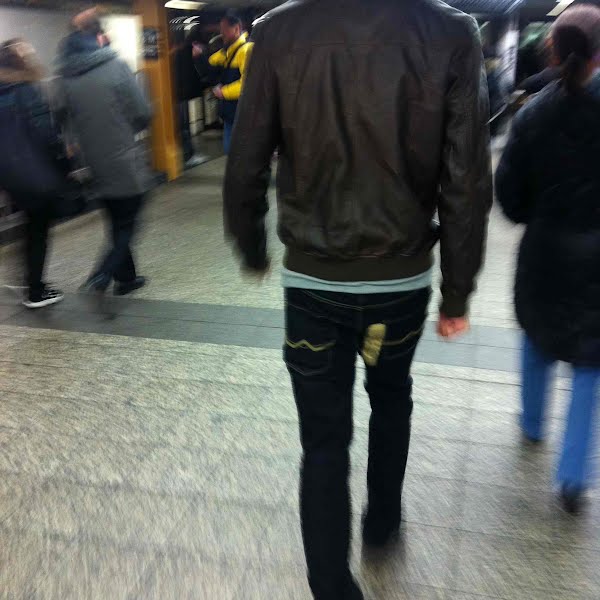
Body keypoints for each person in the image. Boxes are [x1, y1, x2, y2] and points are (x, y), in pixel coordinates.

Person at [223, 1, 492, 598]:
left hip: (313, 285)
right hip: (400, 283)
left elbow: (246, 157)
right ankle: (382, 520)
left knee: (323, 441)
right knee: (391, 397)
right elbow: (466, 177)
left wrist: (251, 246)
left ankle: (330, 585)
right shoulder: (451, 32)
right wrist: (457, 292)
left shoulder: (278, 31)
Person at [496, 4, 600, 515]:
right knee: (591, 362)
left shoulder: (533, 113)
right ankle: (573, 477)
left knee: (538, 334)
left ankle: (533, 424)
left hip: (544, 250)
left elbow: (511, 198)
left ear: (553, 49)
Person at [55, 13, 152, 295]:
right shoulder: (115, 66)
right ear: (98, 38)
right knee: (130, 221)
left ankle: (126, 279)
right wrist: (126, 128)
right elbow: (142, 113)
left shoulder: (64, 78)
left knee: (116, 220)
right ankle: (102, 273)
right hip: (123, 158)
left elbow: (60, 120)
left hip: (92, 164)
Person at [0, 39, 65, 308]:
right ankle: (35, 290)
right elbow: (45, 132)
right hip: (33, 171)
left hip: (8, 173)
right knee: (38, 229)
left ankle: (29, 281)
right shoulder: (25, 89)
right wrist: (61, 155)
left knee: (30, 226)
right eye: (27, 51)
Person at [207, 14, 252, 154]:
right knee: (231, 152)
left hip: (243, 114)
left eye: (224, 29)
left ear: (236, 28)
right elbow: (212, 60)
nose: (221, 33)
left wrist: (223, 92)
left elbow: (248, 83)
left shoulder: (246, 50)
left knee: (240, 153)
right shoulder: (229, 50)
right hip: (231, 113)